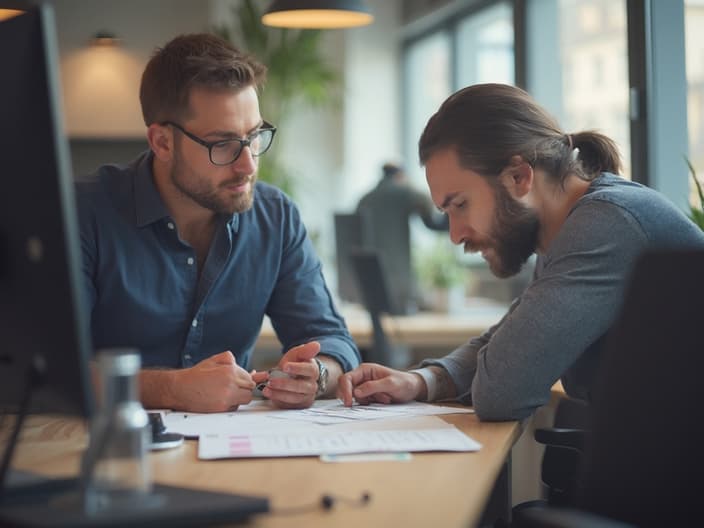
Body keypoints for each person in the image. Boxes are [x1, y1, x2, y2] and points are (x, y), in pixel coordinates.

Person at [338, 83, 704, 421]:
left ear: (519, 177)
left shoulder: (606, 223)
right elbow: (505, 339)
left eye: (460, 205)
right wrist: (420, 382)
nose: (455, 235)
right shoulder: (570, 228)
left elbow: (502, 390)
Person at [76, 33, 360, 413]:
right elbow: (44, 369)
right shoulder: (82, 213)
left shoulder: (275, 217)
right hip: (104, 448)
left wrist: (317, 374)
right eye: (222, 144)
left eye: (254, 135)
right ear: (162, 142)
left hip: (234, 454)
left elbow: (333, 340)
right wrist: (171, 389)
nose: (248, 165)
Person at [355, 162, 448, 314]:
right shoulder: (407, 193)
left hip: (371, 285)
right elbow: (434, 224)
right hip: (401, 286)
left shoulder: (365, 199)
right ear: (400, 175)